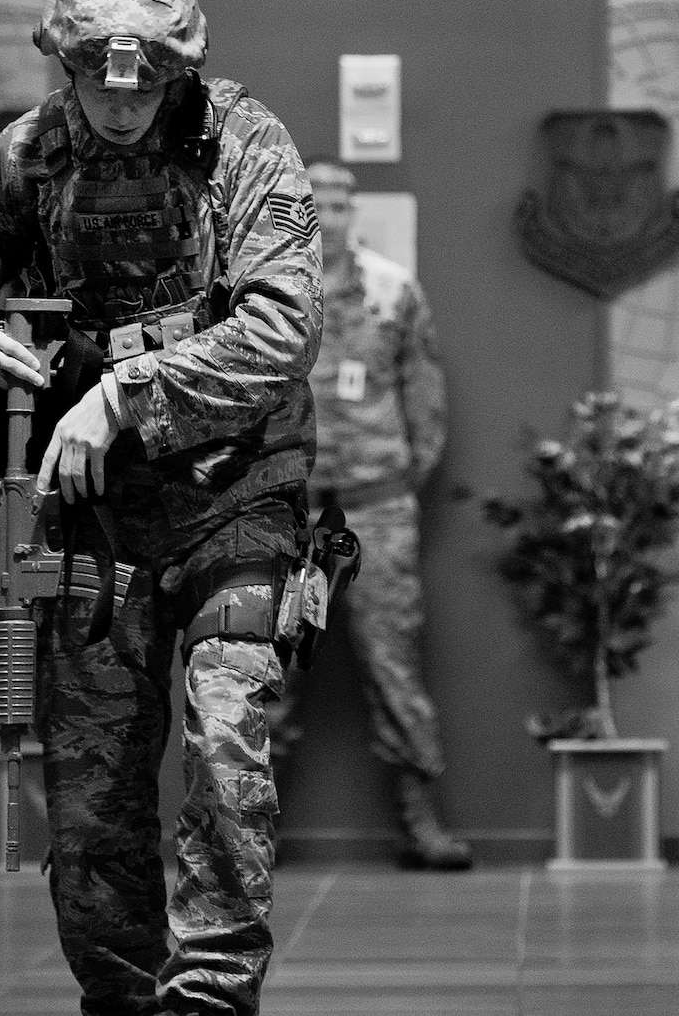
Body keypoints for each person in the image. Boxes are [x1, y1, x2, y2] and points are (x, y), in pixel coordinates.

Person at [0, 0, 320, 1016]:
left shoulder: (245, 142)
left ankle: (209, 996)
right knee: (93, 790)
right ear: (62, 61)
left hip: (235, 494)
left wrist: (125, 392)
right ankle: (118, 998)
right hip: (91, 515)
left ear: (182, 66)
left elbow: (282, 327)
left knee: (226, 747)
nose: (121, 105)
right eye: (97, 80)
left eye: (147, 82)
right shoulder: (23, 161)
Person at [270, 160, 470, 870]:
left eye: (340, 202)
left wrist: (398, 477)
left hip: (375, 510)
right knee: (271, 670)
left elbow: (425, 394)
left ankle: (420, 823)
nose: (329, 213)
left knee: (394, 667)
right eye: (315, 202)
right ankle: (251, 832)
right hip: (288, 514)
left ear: (355, 210)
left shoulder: (392, 290)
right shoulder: (266, 292)